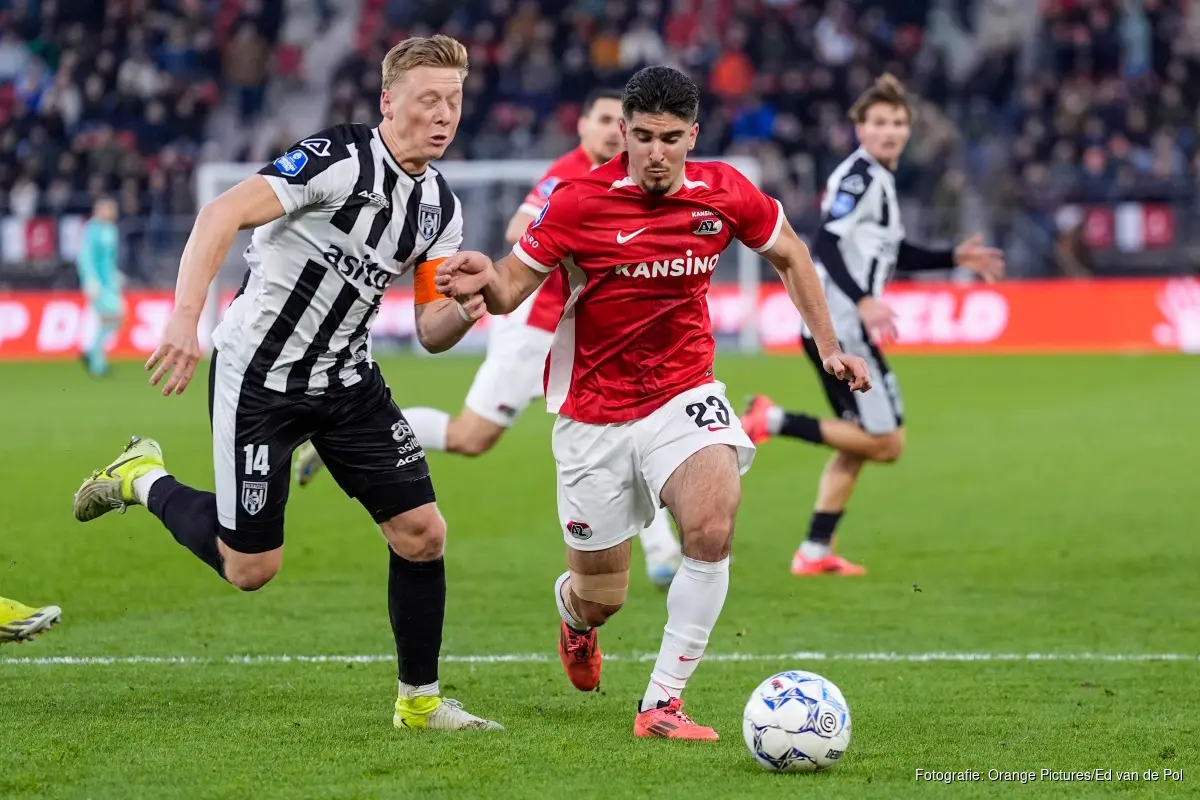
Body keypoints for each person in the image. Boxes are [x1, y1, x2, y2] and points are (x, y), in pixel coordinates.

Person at [71, 35, 502, 732]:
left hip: (348, 381)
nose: (444, 115)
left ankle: (420, 703)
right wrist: (184, 318)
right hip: (261, 377)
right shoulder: (337, 158)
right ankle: (142, 478)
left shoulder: (439, 210)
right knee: (251, 569)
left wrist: (467, 308)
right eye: (428, 100)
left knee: (423, 533)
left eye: (453, 101)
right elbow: (221, 213)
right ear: (388, 102)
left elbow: (431, 328)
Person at [437, 65, 870, 740]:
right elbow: (511, 288)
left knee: (713, 526)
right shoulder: (578, 202)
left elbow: (790, 254)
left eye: (671, 138)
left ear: (693, 134)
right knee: (602, 597)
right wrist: (481, 278)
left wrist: (830, 344)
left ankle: (661, 703)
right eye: (643, 137)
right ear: (624, 133)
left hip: (684, 393)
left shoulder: (724, 191)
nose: (657, 153)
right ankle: (575, 618)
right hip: (593, 414)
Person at [293, 88, 684, 588]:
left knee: (631, 426)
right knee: (470, 438)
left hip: (589, 337)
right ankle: (348, 439)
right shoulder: (568, 175)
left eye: (617, 121)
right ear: (583, 126)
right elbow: (520, 229)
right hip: (536, 333)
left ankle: (662, 551)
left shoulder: (629, 178)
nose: (612, 131)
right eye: (602, 120)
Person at [741, 74, 1004, 576]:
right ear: (859, 128)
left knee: (859, 439)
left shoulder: (879, 179)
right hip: (841, 329)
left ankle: (814, 552)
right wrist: (863, 300)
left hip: (840, 325)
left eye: (898, 122)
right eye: (879, 122)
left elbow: (894, 250)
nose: (890, 131)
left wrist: (953, 256)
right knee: (886, 442)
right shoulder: (860, 177)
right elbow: (827, 242)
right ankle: (772, 421)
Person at [75, 197, 123, 378]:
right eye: (107, 209)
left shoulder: (111, 229)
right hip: (98, 283)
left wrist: (115, 275)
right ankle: (96, 361)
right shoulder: (92, 229)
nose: (110, 212)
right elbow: (85, 256)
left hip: (109, 283)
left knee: (114, 319)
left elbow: (110, 258)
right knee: (112, 317)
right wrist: (90, 279)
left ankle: (91, 352)